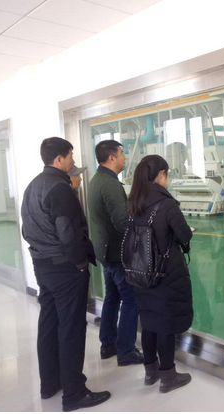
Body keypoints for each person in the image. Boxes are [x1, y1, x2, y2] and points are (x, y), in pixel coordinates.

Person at [21, 137, 111, 412]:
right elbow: (68, 233)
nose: (73, 160)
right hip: (65, 269)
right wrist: (80, 264)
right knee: (71, 328)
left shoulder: (33, 185)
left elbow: (27, 229)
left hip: (43, 266)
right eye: (70, 155)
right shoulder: (60, 188)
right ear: (59, 159)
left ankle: (50, 383)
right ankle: (74, 393)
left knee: (49, 324)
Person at [127, 155, 193, 393]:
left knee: (148, 322)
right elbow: (184, 235)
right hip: (166, 272)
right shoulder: (167, 204)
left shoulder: (134, 201)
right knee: (166, 323)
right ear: (162, 174)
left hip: (141, 271)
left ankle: (150, 372)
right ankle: (168, 377)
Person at [87, 140, 144, 366]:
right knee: (131, 300)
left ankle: (108, 345)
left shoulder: (96, 180)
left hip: (105, 250)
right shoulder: (110, 184)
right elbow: (122, 222)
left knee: (112, 297)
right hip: (117, 253)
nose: (124, 157)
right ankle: (126, 351)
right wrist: (143, 235)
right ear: (112, 157)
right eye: (121, 153)